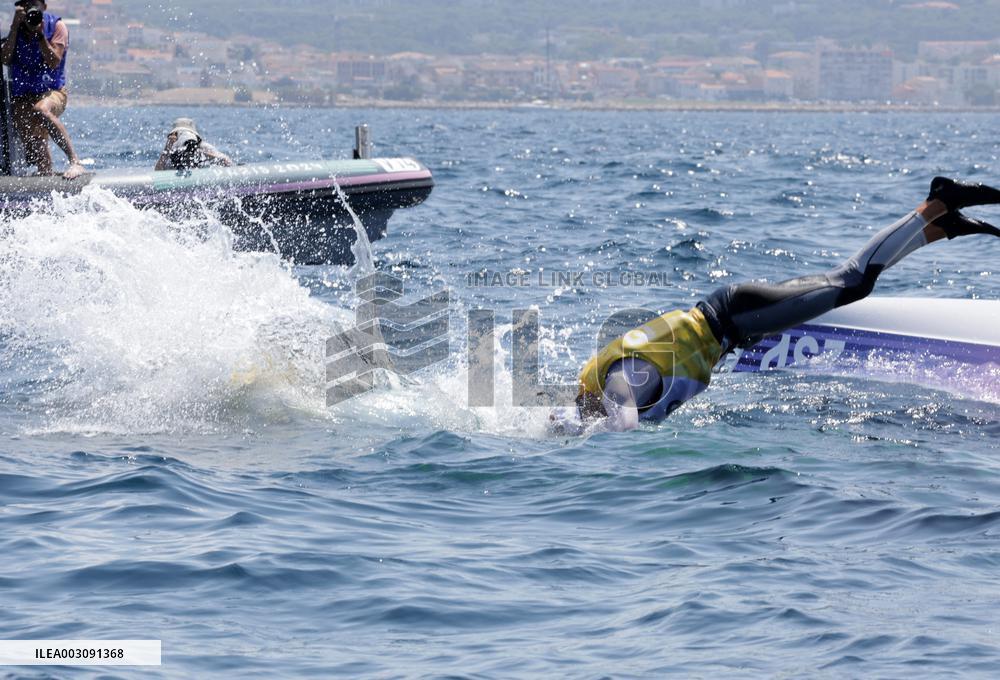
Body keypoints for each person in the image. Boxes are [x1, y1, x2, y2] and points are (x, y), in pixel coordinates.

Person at [572, 177, 1000, 431]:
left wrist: (595, 436)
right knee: (851, 283)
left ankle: (937, 202)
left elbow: (623, 414)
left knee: (851, 281)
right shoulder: (605, 386)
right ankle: (939, 227)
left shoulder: (621, 380)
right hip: (738, 327)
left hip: (736, 315)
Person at [1, 0, 84, 179]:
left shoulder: (57, 26)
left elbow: (54, 62)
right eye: (27, 4)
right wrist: (14, 27)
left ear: (44, 7)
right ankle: (45, 173)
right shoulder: (17, 28)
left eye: (35, 3)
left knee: (41, 109)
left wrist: (40, 36)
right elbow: (5, 59)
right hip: (24, 96)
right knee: (30, 130)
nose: (31, 8)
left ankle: (75, 162)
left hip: (53, 92)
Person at [154, 117, 233, 171]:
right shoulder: (172, 150)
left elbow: (227, 162)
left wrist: (201, 153)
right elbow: (158, 171)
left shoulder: (203, 147)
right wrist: (167, 148)